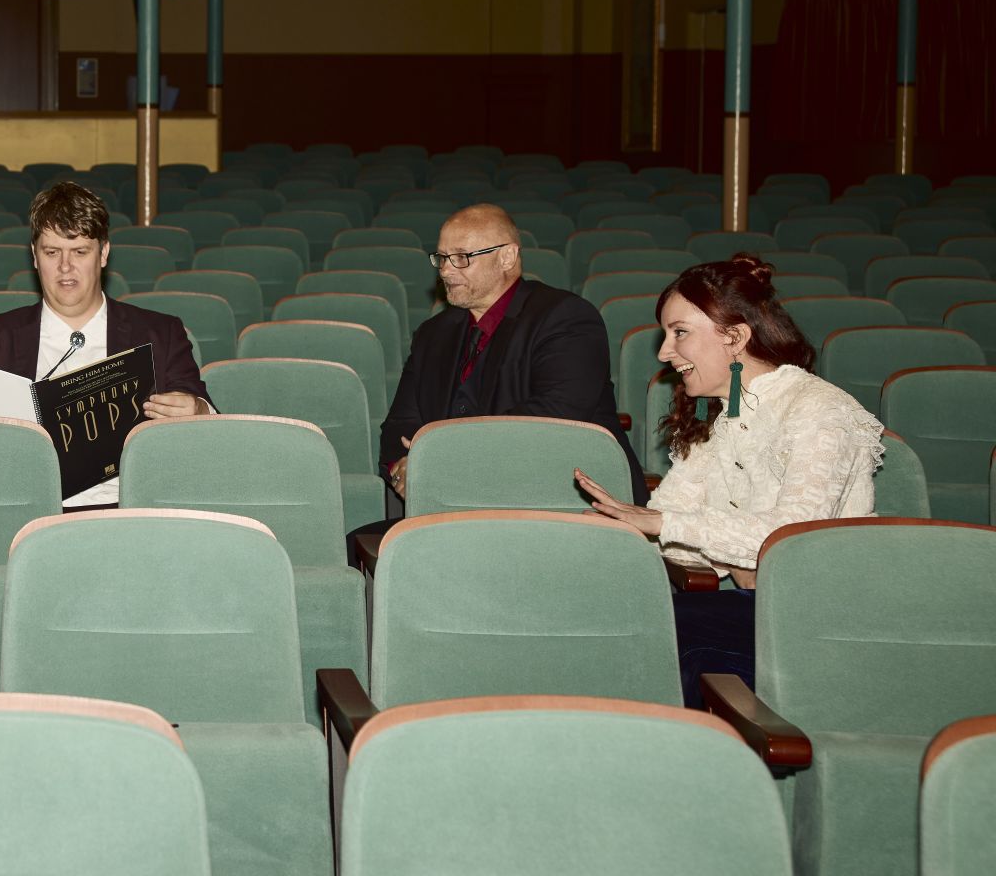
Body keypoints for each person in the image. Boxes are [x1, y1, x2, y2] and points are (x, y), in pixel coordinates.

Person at [576, 254, 882, 705]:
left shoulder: (820, 411)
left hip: (822, 626)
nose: (663, 352)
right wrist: (611, 533)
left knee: (646, 636)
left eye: (679, 333)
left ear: (735, 337)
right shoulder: (722, 411)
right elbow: (675, 519)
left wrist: (659, 525)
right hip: (762, 612)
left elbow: (791, 540)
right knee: (611, 618)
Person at [0, 181, 214, 508]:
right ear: (35, 257)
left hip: (129, 509)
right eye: (52, 252)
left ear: (104, 253)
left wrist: (196, 409)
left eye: (80, 252)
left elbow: (206, 415)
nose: (65, 267)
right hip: (24, 509)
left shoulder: (159, 332)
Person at [378, 203, 645, 509]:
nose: (446, 270)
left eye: (461, 257)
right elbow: (400, 424)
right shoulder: (433, 334)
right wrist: (404, 467)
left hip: (558, 503)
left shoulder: (566, 318)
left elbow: (553, 418)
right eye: (441, 258)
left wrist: (436, 460)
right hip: (454, 505)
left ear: (507, 257)